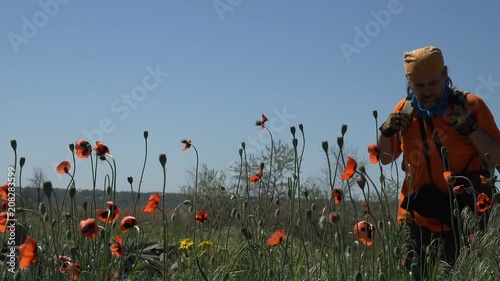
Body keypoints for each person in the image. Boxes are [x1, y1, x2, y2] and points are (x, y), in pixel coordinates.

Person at [377, 46, 500, 278]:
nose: (427, 91)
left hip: (464, 219)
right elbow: (384, 159)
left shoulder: (470, 105)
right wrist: (386, 130)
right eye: (419, 85)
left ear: (445, 74)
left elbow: (497, 157)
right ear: (409, 81)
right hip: (416, 220)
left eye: (432, 83)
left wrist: (470, 129)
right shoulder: (404, 111)